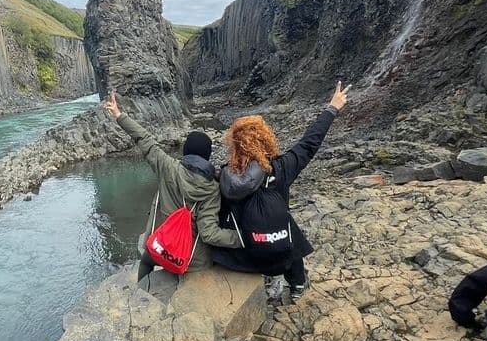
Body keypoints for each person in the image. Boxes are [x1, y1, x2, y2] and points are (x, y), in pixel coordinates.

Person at [211, 81, 350, 301]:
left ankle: (269, 279)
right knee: (285, 223)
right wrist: (332, 108)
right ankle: (296, 284)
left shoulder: (226, 176)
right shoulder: (282, 168)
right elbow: (309, 143)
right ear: (266, 140)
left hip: (243, 258)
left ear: (235, 144)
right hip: (279, 252)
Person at [102, 90, 243, 281]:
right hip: (192, 260)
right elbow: (209, 234)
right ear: (207, 157)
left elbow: (144, 139)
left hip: (161, 248)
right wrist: (241, 238)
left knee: (146, 260)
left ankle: (143, 292)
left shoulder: (168, 167)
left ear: (186, 152)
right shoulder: (213, 189)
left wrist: (119, 115)